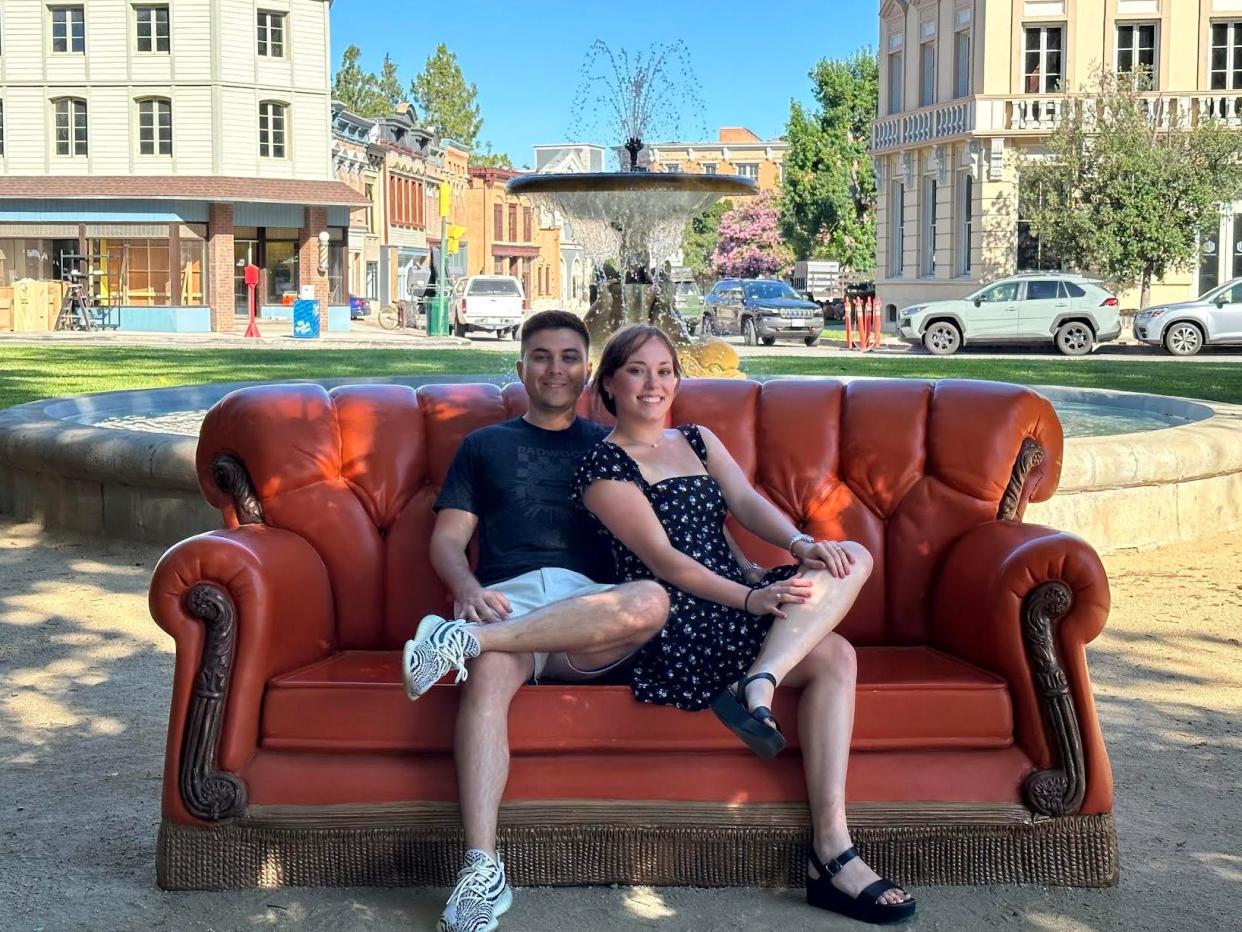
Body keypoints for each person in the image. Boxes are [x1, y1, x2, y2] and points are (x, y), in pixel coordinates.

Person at [572, 324, 916, 926]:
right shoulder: (603, 468)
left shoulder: (698, 440)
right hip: (679, 616)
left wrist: (802, 545)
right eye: (637, 371)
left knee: (852, 556)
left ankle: (762, 687)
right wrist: (754, 600)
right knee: (837, 656)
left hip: (741, 596)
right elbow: (666, 562)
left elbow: (748, 503)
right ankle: (833, 858)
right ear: (609, 385)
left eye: (664, 370)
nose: (654, 384)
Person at [400, 310, 670, 932]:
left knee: (651, 601)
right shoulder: (484, 446)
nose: (555, 368)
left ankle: (458, 644)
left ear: (588, 372)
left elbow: (667, 541)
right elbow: (448, 540)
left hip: (592, 612)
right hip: (507, 604)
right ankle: (481, 871)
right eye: (541, 356)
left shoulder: (613, 446)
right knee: (491, 676)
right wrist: (466, 589)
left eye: (570, 356)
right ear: (520, 367)